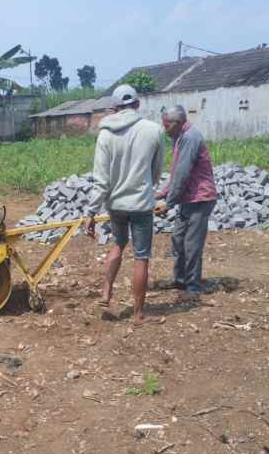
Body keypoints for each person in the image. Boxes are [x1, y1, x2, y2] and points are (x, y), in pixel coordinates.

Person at [86, 84, 165, 325]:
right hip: (141, 204)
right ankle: (138, 313)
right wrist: (144, 186)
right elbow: (156, 170)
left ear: (114, 108)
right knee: (141, 257)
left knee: (118, 244)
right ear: (137, 105)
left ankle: (106, 292)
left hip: (116, 204)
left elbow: (101, 179)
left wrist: (91, 211)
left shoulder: (105, 134)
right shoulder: (154, 130)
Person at [156, 105, 217, 300]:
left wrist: (169, 202)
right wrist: (163, 192)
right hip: (187, 198)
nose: (164, 129)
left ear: (177, 123)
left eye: (166, 125)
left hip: (200, 198)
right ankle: (180, 279)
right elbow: (176, 172)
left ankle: (193, 287)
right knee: (178, 239)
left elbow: (182, 174)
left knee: (192, 244)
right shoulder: (179, 137)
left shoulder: (190, 138)